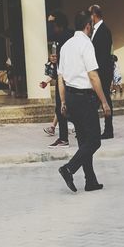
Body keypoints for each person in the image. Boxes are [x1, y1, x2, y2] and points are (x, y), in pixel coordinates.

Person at [56, 9, 111, 193]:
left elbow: (60, 78)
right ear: (88, 26)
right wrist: (104, 102)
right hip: (84, 98)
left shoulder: (66, 46)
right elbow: (93, 75)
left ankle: (90, 181)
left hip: (70, 97)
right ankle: (69, 169)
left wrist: (63, 102)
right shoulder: (86, 44)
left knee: (83, 141)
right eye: (92, 26)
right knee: (94, 140)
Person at [44, 12, 72, 148]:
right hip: (64, 74)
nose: (52, 28)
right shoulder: (66, 35)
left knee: (61, 106)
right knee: (63, 107)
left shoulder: (65, 35)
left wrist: (49, 21)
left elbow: (49, 35)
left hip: (65, 77)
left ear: (58, 25)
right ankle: (65, 136)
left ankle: (63, 138)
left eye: (54, 25)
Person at [89, 3, 115, 139]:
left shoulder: (103, 30)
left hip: (103, 72)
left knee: (104, 100)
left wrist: (98, 73)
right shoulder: (96, 30)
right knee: (98, 101)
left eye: (90, 15)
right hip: (99, 71)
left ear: (94, 15)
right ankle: (99, 128)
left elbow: (103, 55)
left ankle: (108, 129)